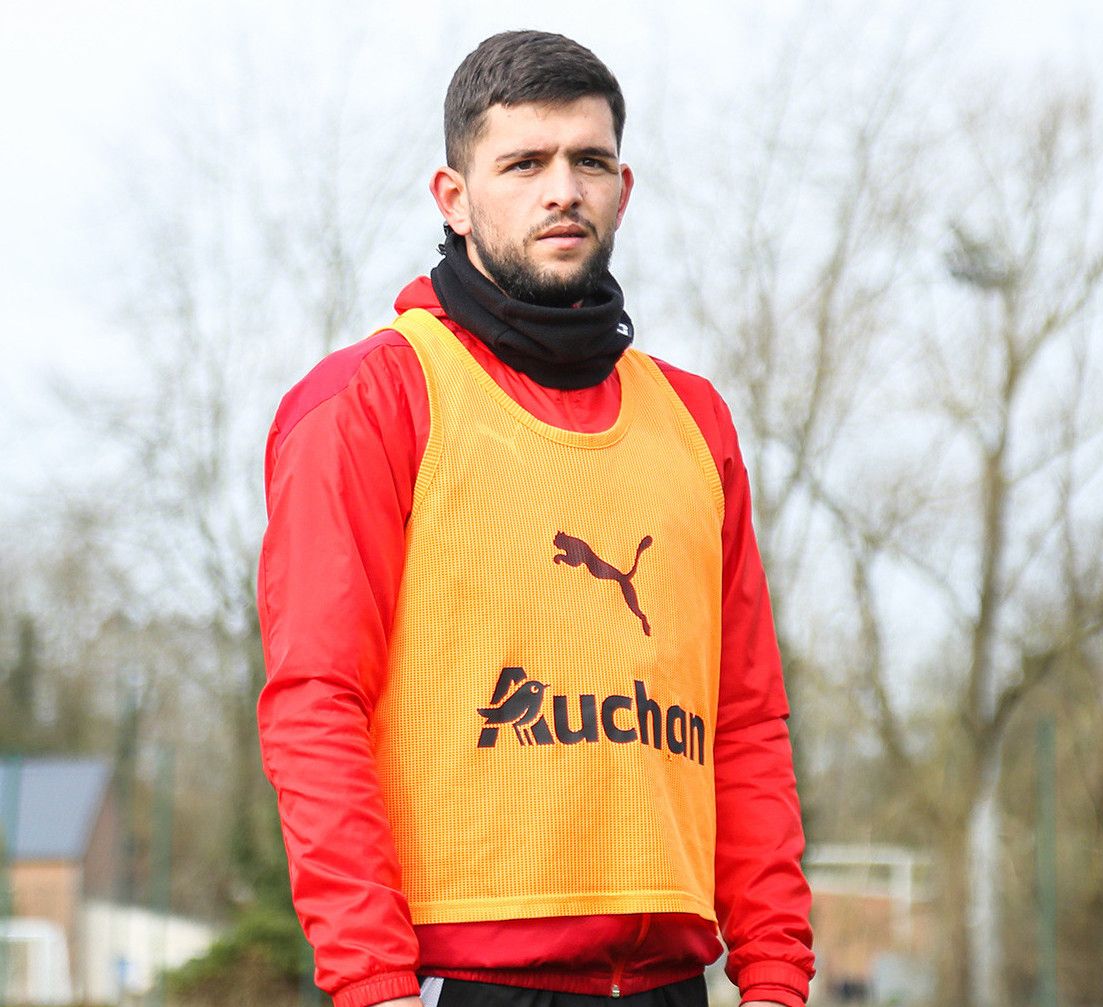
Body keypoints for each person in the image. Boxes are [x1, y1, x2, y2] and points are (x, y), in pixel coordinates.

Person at [256, 29, 814, 1007]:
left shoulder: (695, 421)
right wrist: (372, 980)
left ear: (622, 188)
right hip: (453, 979)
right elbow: (316, 701)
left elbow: (748, 719)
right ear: (455, 197)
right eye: (524, 162)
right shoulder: (373, 399)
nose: (564, 188)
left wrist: (774, 976)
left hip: (672, 980)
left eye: (588, 160)